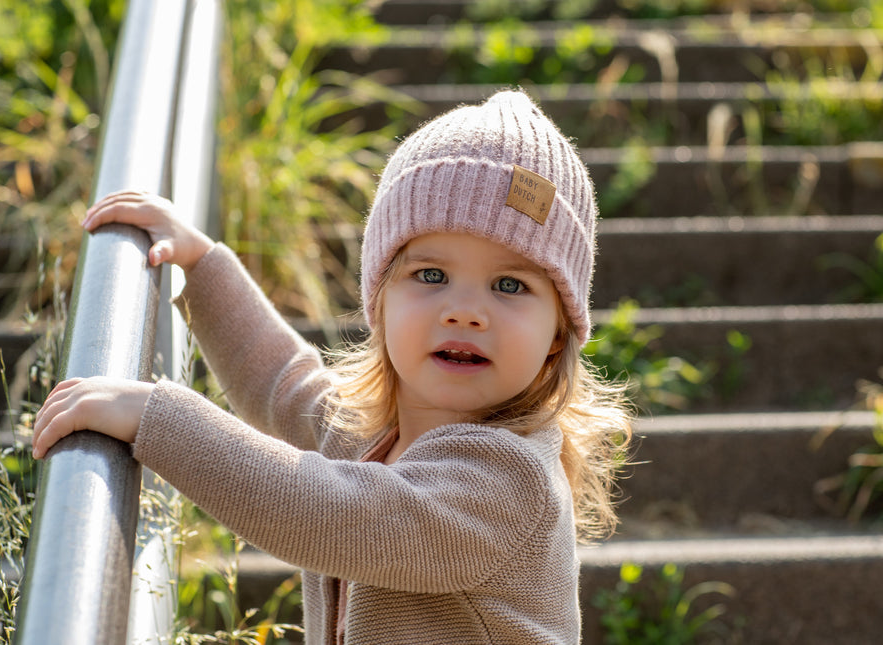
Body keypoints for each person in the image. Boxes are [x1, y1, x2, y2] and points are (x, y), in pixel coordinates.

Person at [32, 89, 632, 644]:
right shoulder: (376, 433)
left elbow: (331, 510)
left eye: (509, 284)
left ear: (559, 333)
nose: (466, 312)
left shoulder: (508, 481)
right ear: (380, 301)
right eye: (430, 275)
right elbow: (285, 386)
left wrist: (159, 417)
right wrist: (205, 265)